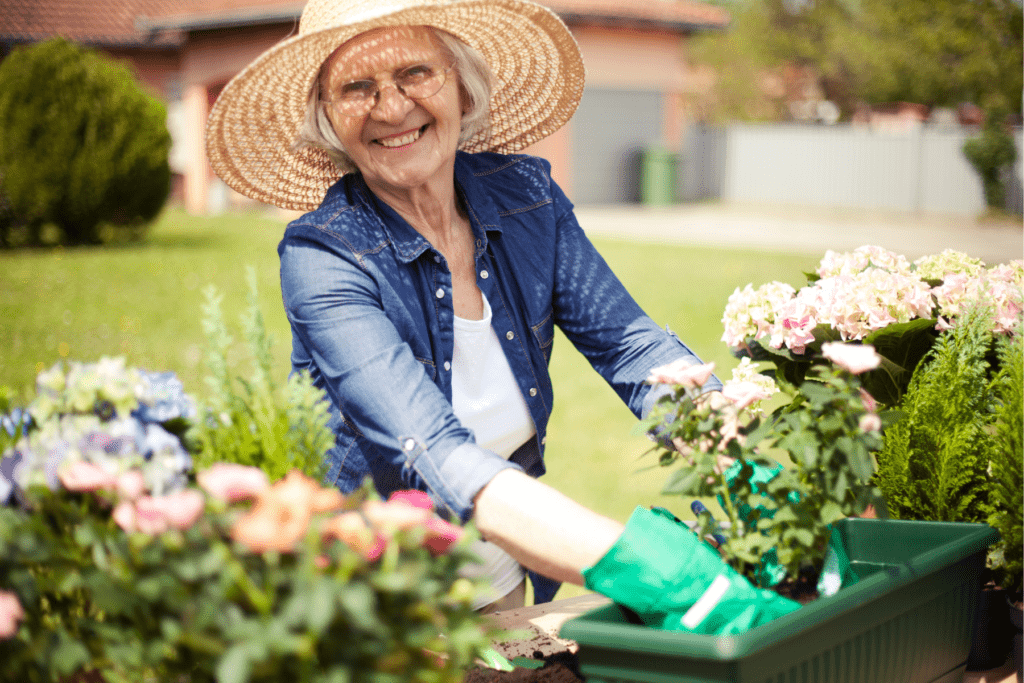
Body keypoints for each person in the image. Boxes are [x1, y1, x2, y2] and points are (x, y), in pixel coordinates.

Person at [206, 0, 732, 614]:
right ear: (327, 117)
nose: (393, 107)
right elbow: (433, 452)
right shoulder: (325, 254)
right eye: (357, 87)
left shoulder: (528, 199)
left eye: (416, 74)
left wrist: (716, 428)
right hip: (371, 584)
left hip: (498, 549)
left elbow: (630, 346)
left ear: (461, 84)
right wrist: (651, 567)